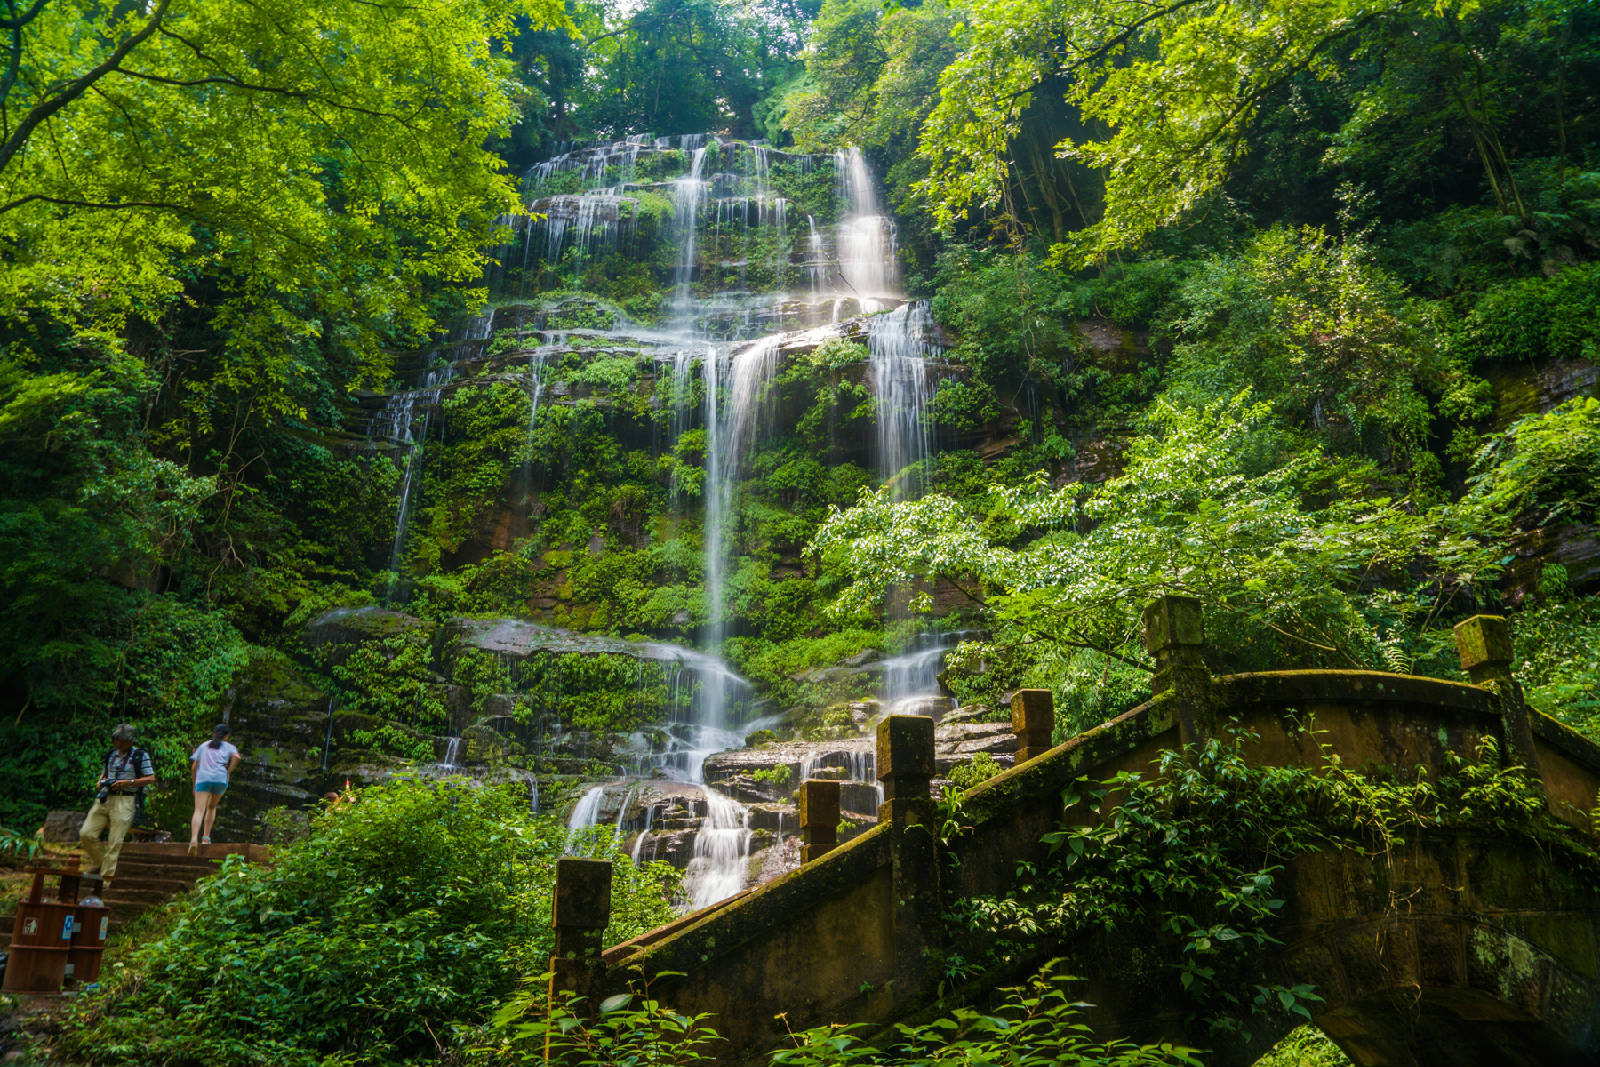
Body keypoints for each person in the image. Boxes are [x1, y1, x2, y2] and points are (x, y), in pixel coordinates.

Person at [79, 724, 156, 890]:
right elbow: (104, 773)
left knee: (115, 841)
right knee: (86, 833)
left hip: (126, 799)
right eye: (115, 740)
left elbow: (150, 778)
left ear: (129, 741)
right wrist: (101, 781)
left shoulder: (140, 755)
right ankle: (101, 863)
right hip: (105, 798)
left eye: (121, 741)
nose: (117, 744)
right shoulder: (111, 754)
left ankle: (105, 880)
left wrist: (127, 783)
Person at [189, 723, 241, 854]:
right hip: (220, 779)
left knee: (199, 810)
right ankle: (206, 838)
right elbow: (237, 757)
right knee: (211, 807)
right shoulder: (229, 747)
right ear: (227, 736)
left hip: (203, 778)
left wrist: (194, 784)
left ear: (214, 733)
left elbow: (194, 767)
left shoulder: (204, 745)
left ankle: (194, 840)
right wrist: (229, 771)